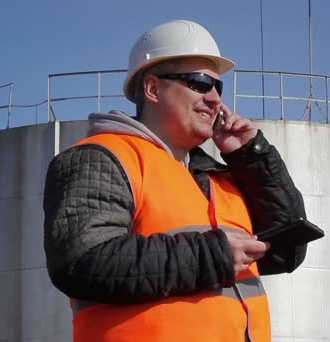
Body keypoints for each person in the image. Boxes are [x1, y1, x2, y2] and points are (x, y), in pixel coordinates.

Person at [44, 19, 307, 342]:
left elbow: (286, 251)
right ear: (152, 88)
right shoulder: (102, 157)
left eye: (217, 87)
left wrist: (252, 156)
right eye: (198, 83)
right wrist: (211, 257)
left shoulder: (217, 177)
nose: (215, 99)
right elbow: (82, 260)